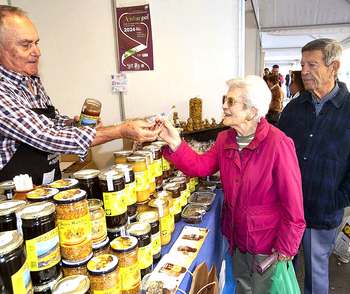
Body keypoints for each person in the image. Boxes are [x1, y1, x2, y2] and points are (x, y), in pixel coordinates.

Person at [158, 75, 306, 294]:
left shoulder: (278, 144)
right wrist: (175, 143)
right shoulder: (224, 139)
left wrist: (286, 245)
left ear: (252, 111)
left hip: (266, 242)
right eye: (225, 100)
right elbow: (200, 166)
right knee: (242, 287)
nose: (223, 106)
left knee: (263, 290)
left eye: (230, 102)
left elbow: (293, 201)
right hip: (237, 237)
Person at [0, 6, 161, 185]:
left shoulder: (31, 81)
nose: (37, 52)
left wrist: (74, 124)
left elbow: (52, 122)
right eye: (26, 45)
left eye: (36, 43)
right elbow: (46, 135)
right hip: (14, 200)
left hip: (47, 188)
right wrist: (121, 131)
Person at [277, 38, 350, 294]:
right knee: (284, 268)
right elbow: (277, 151)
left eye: (312, 64)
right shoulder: (294, 107)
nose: (303, 71)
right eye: (302, 64)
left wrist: (338, 197)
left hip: (323, 209)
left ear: (334, 67)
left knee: (316, 273)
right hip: (288, 207)